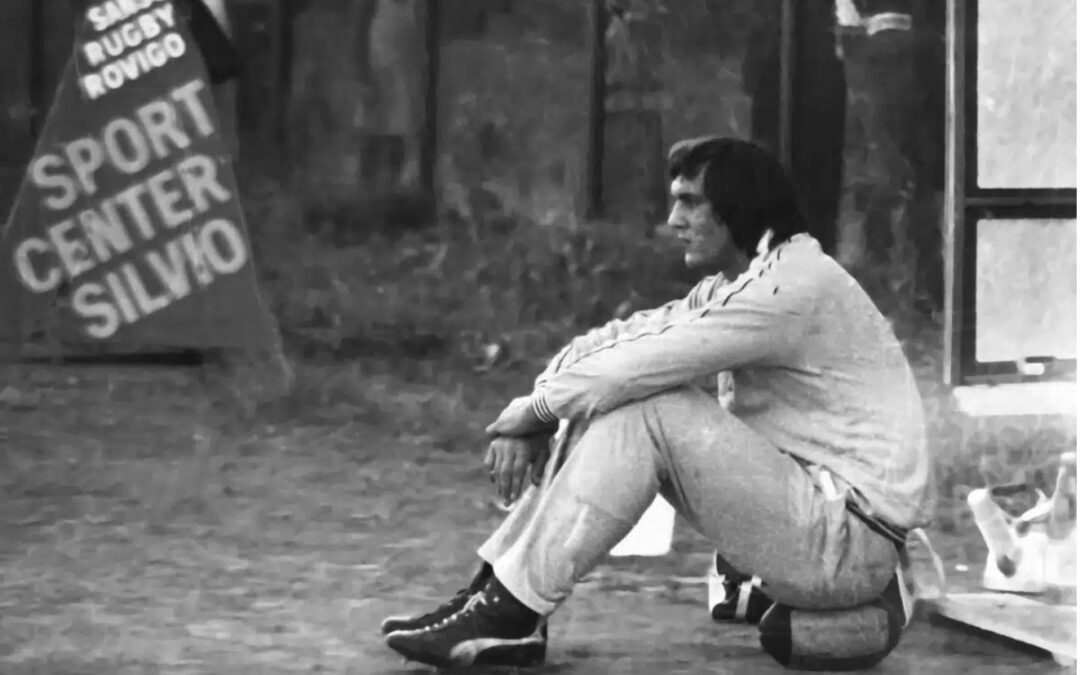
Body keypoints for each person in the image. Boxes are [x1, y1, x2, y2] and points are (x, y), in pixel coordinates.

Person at [381, 137, 932, 669]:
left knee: (648, 405)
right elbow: (621, 340)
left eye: (690, 202)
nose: (674, 220)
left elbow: (634, 366)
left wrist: (537, 412)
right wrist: (539, 405)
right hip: (820, 521)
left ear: (738, 207)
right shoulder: (746, 281)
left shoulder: (789, 288)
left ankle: (510, 610)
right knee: (621, 392)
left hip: (847, 545)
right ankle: (497, 597)